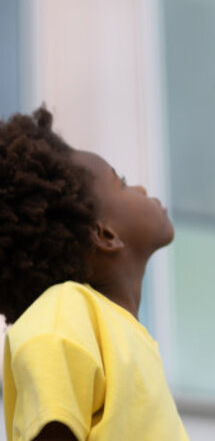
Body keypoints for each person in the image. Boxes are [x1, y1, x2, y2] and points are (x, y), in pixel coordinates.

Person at [0, 107, 188, 441]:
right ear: (105, 235)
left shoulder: (123, 334)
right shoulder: (62, 312)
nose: (141, 189)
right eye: (124, 182)